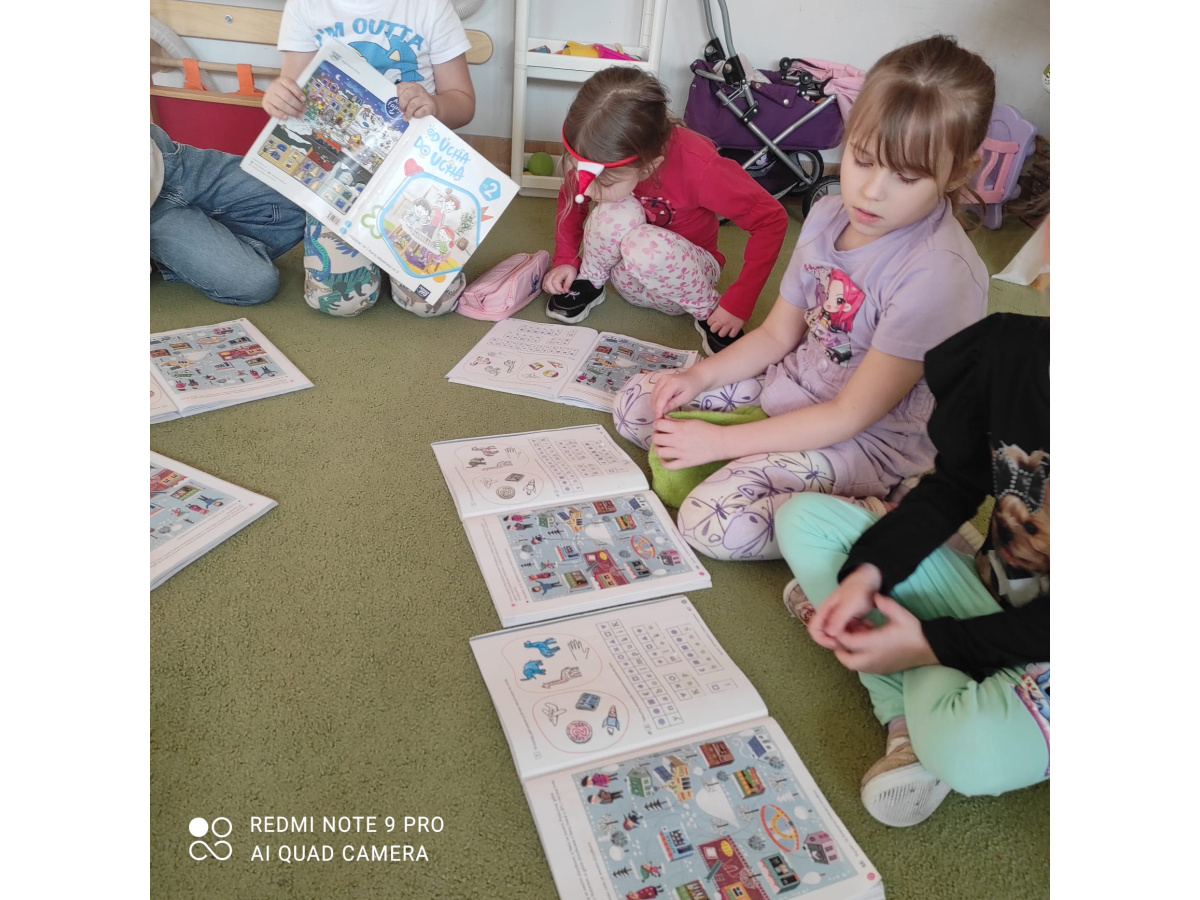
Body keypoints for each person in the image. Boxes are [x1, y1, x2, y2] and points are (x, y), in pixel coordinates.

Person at [612, 35, 994, 562]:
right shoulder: (828, 215)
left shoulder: (937, 274)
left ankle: (888, 513)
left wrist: (721, 444)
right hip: (792, 389)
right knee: (636, 403)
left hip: (863, 442)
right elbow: (776, 335)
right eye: (862, 159)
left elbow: (849, 416)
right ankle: (753, 457)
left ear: (960, 171)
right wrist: (697, 378)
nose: (872, 192)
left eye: (906, 176)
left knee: (709, 523)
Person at [776, 312, 1050, 827]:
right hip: (991, 595)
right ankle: (907, 711)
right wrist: (869, 573)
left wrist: (930, 645)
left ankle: (904, 669)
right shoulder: (1010, 349)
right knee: (801, 519)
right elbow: (954, 485)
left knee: (972, 754)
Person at [543, 66, 788, 354]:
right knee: (614, 213)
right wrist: (565, 259)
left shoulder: (700, 166)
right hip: (624, 278)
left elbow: (771, 220)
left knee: (642, 243)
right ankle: (590, 282)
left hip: (688, 285)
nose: (586, 190)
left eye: (603, 182)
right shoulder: (594, 149)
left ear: (650, 165)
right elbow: (572, 197)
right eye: (580, 171)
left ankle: (707, 313)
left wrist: (738, 303)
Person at [262, 0, 476, 317]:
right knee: (339, 301)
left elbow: (464, 103)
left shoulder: (430, 7)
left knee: (432, 304)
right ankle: (371, 252)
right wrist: (279, 97)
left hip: (414, 175)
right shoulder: (306, 6)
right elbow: (294, 94)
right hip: (339, 178)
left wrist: (435, 105)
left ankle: (385, 253)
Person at [150, 124, 305, 305]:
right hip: (152, 213)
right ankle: (172, 255)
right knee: (256, 284)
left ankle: (197, 248)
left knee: (306, 195)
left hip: (169, 162)